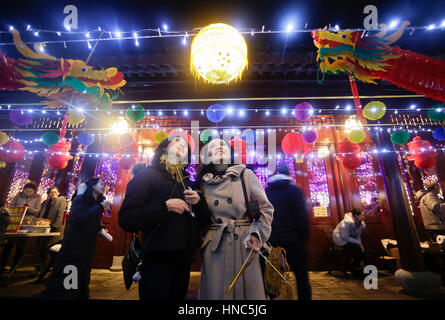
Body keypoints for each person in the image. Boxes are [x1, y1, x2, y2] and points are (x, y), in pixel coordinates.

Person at [118, 136, 211, 300]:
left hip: (184, 262)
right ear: (163, 149)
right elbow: (127, 219)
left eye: (185, 146)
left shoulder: (188, 182)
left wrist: (199, 203)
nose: (182, 146)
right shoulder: (147, 175)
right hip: (156, 263)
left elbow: (204, 221)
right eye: (176, 142)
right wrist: (165, 206)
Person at [196, 138, 274, 300]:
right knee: (216, 292)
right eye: (214, 146)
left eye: (223, 145)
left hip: (245, 243)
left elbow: (266, 208)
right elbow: (201, 219)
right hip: (215, 247)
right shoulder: (202, 183)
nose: (219, 147)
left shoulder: (245, 175)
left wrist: (257, 234)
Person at [42, 178, 109, 299]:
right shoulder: (81, 200)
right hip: (75, 244)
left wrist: (101, 228)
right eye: (101, 184)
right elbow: (78, 218)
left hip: (88, 245)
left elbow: (92, 219)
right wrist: (99, 207)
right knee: (71, 271)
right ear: (92, 186)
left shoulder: (97, 202)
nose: (104, 186)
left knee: (84, 273)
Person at [265, 163, 311, 300]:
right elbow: (302, 216)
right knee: (301, 276)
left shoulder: (267, 191)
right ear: (288, 174)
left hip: (274, 241)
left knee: (273, 277)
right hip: (294, 241)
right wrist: (304, 237)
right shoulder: (295, 190)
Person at [0, 182, 41, 275]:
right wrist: (19, 208)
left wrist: (29, 209)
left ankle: (13, 269)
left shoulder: (36, 199)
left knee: (21, 246)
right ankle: (2, 267)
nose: (28, 192)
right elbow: (10, 207)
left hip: (27, 222)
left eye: (30, 191)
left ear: (33, 192)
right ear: (23, 190)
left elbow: (38, 210)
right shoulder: (18, 196)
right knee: (8, 245)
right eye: (26, 191)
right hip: (15, 221)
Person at [35, 187, 67, 281]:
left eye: (55, 192)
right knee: (41, 246)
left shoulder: (61, 200)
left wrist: (55, 226)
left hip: (54, 228)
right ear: (48, 193)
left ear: (58, 193)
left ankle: (46, 269)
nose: (53, 194)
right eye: (51, 192)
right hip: (43, 226)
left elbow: (60, 214)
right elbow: (41, 213)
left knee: (50, 246)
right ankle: (40, 267)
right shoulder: (45, 202)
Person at [332, 209, 366, 278]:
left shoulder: (360, 223)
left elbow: (357, 236)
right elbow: (345, 236)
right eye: (362, 215)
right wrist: (358, 244)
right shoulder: (346, 222)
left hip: (350, 240)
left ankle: (355, 268)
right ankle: (355, 269)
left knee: (360, 250)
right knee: (356, 249)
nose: (364, 217)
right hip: (341, 239)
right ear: (356, 215)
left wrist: (361, 245)